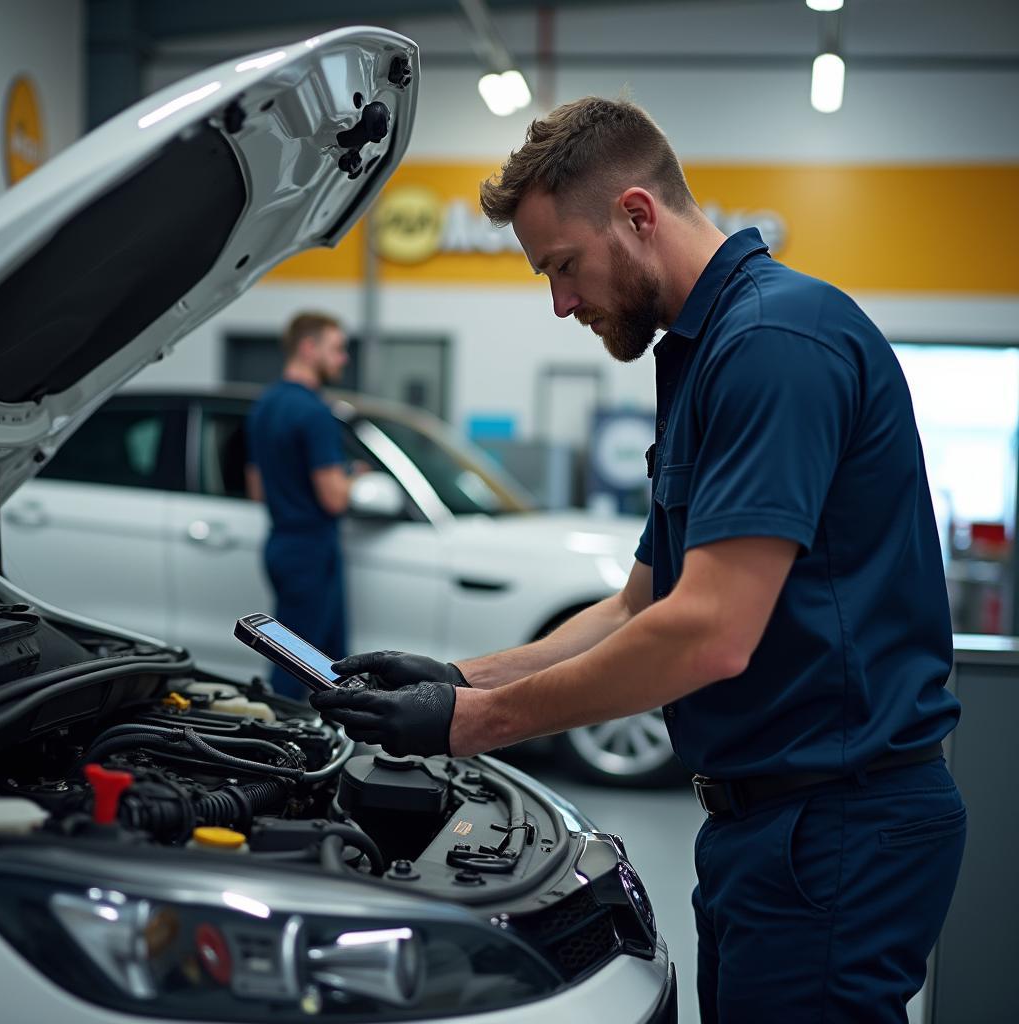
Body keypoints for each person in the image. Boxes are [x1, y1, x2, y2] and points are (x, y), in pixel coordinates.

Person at [309, 98, 966, 1022]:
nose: (561, 302)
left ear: (637, 214)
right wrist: (455, 676)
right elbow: (637, 606)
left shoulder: (773, 344)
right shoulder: (704, 356)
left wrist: (472, 722)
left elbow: (708, 635)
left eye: (564, 267)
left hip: (837, 826)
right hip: (773, 825)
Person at [245, 312, 355, 699]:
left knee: (320, 662)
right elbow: (334, 497)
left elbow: (257, 487)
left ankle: (319, 746)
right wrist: (353, 477)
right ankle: (282, 751)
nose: (343, 359)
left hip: (281, 544)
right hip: (312, 549)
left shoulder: (265, 405)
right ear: (308, 348)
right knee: (297, 669)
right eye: (337, 349)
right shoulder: (315, 412)